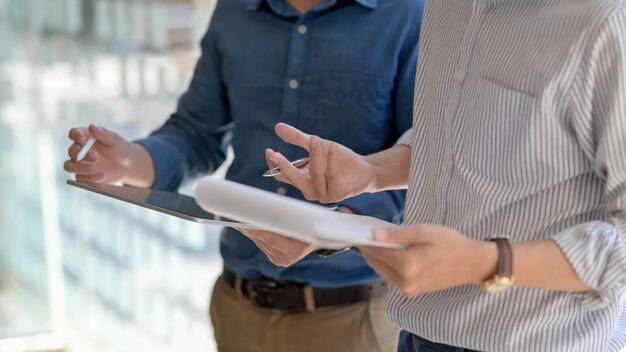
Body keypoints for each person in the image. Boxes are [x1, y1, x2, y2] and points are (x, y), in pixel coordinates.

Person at [256, 1, 626, 351]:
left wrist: (486, 262)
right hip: (417, 335)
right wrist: (372, 172)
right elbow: (466, 135)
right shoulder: (447, 7)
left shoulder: (608, 20)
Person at [63, 0, 424, 350]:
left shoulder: (410, 14)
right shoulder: (233, 10)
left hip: (352, 321)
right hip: (237, 308)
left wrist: (332, 229)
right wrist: (130, 161)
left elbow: (425, 165)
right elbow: (196, 133)